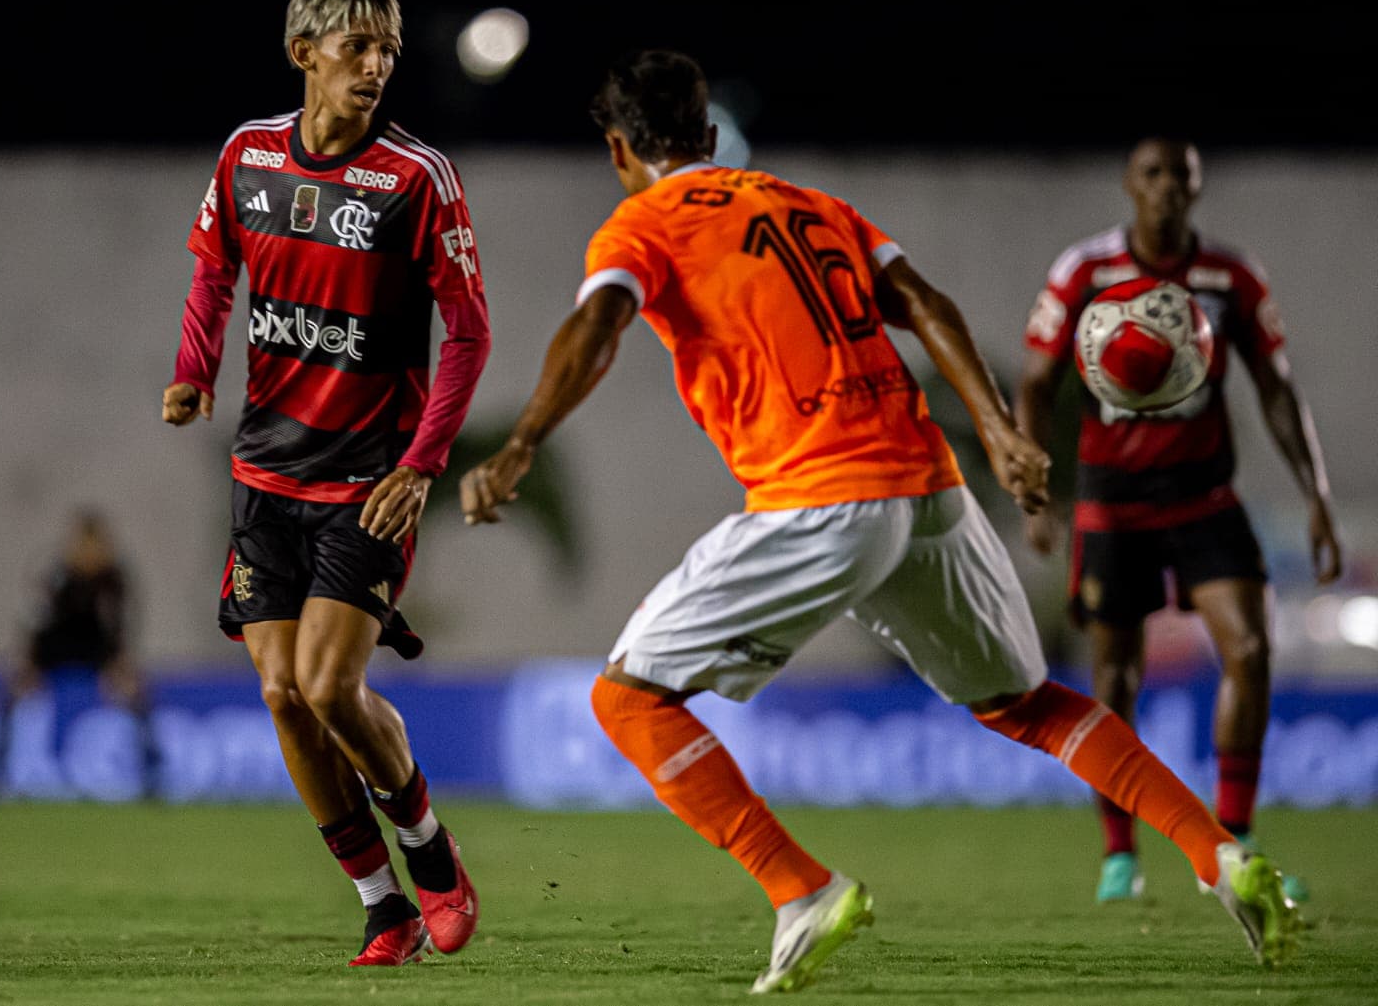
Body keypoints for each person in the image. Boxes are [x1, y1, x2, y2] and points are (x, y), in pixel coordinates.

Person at [459, 49, 1299, 993]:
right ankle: (1218, 854)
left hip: (820, 490)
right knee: (1025, 703)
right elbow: (924, 303)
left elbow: (597, 324)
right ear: (704, 137)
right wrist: (1000, 430)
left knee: (626, 699)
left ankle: (800, 888)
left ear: (621, 150)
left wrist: (523, 440)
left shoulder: (641, 224)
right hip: (926, 481)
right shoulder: (816, 206)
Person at [160, 0, 489, 967]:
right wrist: (192, 373)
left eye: (387, 49)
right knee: (278, 695)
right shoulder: (247, 155)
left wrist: (423, 466)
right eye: (357, 47)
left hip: (367, 479)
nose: (377, 66)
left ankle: (433, 857)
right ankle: (381, 903)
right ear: (304, 53)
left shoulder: (414, 179)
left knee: (329, 687)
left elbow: (468, 337)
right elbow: (215, 267)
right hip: (266, 474)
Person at [1015, 136, 1342, 904]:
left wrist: (1318, 493)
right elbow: (1035, 381)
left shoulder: (1229, 277)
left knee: (1251, 649)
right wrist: (1034, 470)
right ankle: (1120, 856)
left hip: (1203, 493)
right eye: (1153, 175)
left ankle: (1237, 837)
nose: (1166, 189)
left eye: (1180, 178)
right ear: (1130, 184)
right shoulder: (1086, 272)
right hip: (1112, 497)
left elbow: (1276, 387)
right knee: (1117, 677)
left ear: (1196, 189)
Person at [0, 507, 159, 800]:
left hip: (97, 649)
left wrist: (120, 661)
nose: (89, 552)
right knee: (10, 696)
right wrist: (30, 661)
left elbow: (120, 623)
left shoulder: (113, 578)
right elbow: (37, 619)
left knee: (138, 696)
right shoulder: (58, 576)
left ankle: (152, 774)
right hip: (55, 647)